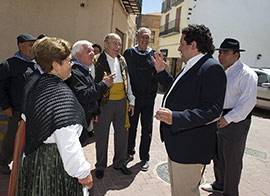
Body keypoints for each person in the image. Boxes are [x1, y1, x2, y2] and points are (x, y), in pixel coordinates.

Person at [152, 24, 227, 196]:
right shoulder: (193, 64)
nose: (178, 48)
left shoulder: (211, 68)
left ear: (193, 45)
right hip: (179, 144)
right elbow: (180, 90)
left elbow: (213, 109)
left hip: (191, 147)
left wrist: (176, 117)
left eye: (181, 43)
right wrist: (162, 73)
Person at [16, 37, 93, 195]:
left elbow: (25, 119)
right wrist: (83, 173)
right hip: (54, 165)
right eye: (68, 61)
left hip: (35, 159)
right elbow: (68, 141)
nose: (71, 64)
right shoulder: (60, 95)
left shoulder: (35, 84)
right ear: (55, 65)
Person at [201, 38, 258, 196]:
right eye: (220, 52)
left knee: (232, 160)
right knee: (218, 156)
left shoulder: (247, 74)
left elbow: (247, 103)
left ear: (237, 55)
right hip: (220, 116)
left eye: (226, 52)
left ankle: (231, 193)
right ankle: (219, 184)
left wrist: (228, 118)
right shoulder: (222, 71)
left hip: (236, 121)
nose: (221, 56)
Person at [94, 33, 135, 179]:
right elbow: (92, 86)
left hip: (122, 102)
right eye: (114, 44)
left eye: (119, 44)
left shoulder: (122, 59)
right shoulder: (96, 60)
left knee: (122, 135)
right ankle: (100, 165)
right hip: (104, 103)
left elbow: (127, 80)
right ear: (105, 44)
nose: (118, 47)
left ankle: (119, 163)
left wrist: (131, 101)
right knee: (101, 136)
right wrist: (94, 109)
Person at [0, 33, 37, 174]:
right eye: (30, 45)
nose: (33, 48)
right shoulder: (8, 65)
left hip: (32, 111)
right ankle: (3, 161)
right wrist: (6, 107)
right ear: (21, 46)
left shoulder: (36, 65)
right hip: (16, 111)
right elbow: (1, 88)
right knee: (11, 139)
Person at [65, 40, 114, 141]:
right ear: (78, 55)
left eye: (93, 51)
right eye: (89, 51)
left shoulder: (84, 70)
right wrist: (104, 84)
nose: (93, 54)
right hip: (76, 122)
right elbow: (84, 95)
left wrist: (93, 112)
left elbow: (90, 91)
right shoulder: (74, 72)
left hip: (84, 120)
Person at [123, 27, 157, 171]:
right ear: (137, 38)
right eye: (142, 37)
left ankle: (144, 157)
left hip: (148, 99)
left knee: (147, 129)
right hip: (133, 99)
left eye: (147, 37)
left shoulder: (155, 54)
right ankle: (129, 152)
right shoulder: (129, 53)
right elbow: (125, 74)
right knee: (131, 127)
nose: (144, 40)